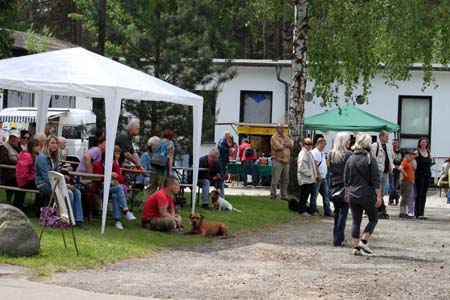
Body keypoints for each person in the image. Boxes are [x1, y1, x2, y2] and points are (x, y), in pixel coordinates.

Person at [35, 135, 86, 229]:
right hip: (43, 184)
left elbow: (54, 172)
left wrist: (63, 175)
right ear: (47, 144)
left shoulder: (54, 157)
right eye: (52, 143)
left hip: (53, 182)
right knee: (69, 193)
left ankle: (78, 220)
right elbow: (47, 177)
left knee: (77, 192)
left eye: (56, 143)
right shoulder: (42, 157)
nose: (54, 145)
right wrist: (65, 185)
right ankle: (67, 220)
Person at [344, 133, 382, 256]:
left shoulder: (350, 158)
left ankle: (356, 248)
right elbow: (375, 179)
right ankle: (363, 241)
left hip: (352, 194)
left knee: (356, 221)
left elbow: (346, 179)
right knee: (373, 218)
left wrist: (346, 193)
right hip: (366, 193)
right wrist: (379, 196)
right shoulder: (370, 158)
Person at [93, 146, 136, 230]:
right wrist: (107, 175)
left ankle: (118, 221)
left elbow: (122, 179)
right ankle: (125, 211)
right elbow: (96, 179)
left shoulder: (114, 165)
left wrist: (116, 176)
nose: (112, 162)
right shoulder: (97, 165)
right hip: (101, 189)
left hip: (112, 188)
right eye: (111, 160)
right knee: (119, 188)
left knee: (115, 195)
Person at [328, 132, 352, 246]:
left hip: (334, 184)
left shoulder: (331, 154)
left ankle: (336, 236)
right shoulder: (348, 155)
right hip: (344, 185)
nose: (349, 142)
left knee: (337, 212)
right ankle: (338, 238)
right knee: (343, 213)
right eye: (348, 140)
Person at [15, 138, 40, 211]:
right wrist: (34, 177)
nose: (39, 147)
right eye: (37, 145)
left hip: (26, 180)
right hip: (24, 182)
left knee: (42, 184)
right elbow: (24, 174)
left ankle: (37, 207)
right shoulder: (27, 156)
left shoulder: (31, 155)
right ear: (32, 147)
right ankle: (38, 208)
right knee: (42, 185)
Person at [310, 137, 333, 217]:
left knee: (326, 194)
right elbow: (315, 164)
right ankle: (313, 209)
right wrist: (318, 174)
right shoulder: (315, 152)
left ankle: (327, 210)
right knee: (314, 194)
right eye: (321, 144)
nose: (323, 146)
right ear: (317, 144)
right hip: (318, 177)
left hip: (323, 177)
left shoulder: (322, 153)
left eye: (324, 144)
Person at [270, 123, 293, 200]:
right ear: (276, 129)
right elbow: (278, 147)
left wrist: (284, 144)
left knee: (285, 179)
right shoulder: (274, 137)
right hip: (277, 160)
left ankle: (283, 195)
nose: (282, 129)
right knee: (275, 179)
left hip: (286, 161)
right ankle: (273, 195)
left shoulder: (285, 137)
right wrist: (286, 145)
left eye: (283, 128)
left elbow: (291, 144)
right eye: (280, 128)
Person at [0, 129, 23, 204]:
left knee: (26, 181)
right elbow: (3, 160)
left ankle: (18, 203)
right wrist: (18, 163)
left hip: (17, 174)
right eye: (11, 137)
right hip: (8, 176)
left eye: (15, 137)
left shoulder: (19, 148)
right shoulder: (3, 147)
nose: (13, 139)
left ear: (19, 139)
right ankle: (18, 204)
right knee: (22, 182)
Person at [141, 136, 165, 201]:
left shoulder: (161, 155)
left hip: (159, 175)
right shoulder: (145, 155)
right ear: (150, 146)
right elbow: (144, 170)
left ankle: (161, 203)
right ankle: (146, 204)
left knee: (164, 182)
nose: (155, 147)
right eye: (153, 145)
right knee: (157, 183)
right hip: (147, 176)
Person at [297, 138, 317, 217]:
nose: (309, 146)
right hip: (305, 179)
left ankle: (305, 209)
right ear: (304, 145)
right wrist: (309, 174)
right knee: (304, 195)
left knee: (307, 195)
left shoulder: (309, 153)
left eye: (311, 144)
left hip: (309, 179)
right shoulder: (303, 153)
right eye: (307, 144)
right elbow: (301, 166)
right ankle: (302, 211)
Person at [415, 137, 433, 219]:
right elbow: (409, 159)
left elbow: (431, 161)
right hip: (419, 174)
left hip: (427, 175)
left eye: (425, 142)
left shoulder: (428, 152)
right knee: (419, 193)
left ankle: (422, 212)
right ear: (419, 143)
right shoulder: (417, 151)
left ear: (427, 143)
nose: (423, 144)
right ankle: (417, 212)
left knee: (424, 194)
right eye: (422, 142)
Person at [398, 150, 415, 218]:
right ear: (405, 155)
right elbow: (400, 168)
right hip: (406, 182)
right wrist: (405, 174)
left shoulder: (408, 162)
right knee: (405, 197)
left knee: (405, 197)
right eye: (409, 155)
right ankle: (403, 212)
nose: (410, 156)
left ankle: (404, 212)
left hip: (408, 182)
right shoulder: (405, 161)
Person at [389, 139, 403, 205]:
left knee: (396, 186)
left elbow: (403, 160)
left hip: (398, 171)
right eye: (393, 143)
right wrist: (394, 166)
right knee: (392, 186)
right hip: (391, 170)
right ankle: (397, 197)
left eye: (396, 143)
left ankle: (391, 200)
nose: (394, 144)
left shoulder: (401, 152)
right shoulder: (390, 151)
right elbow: (389, 160)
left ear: (398, 144)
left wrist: (400, 166)